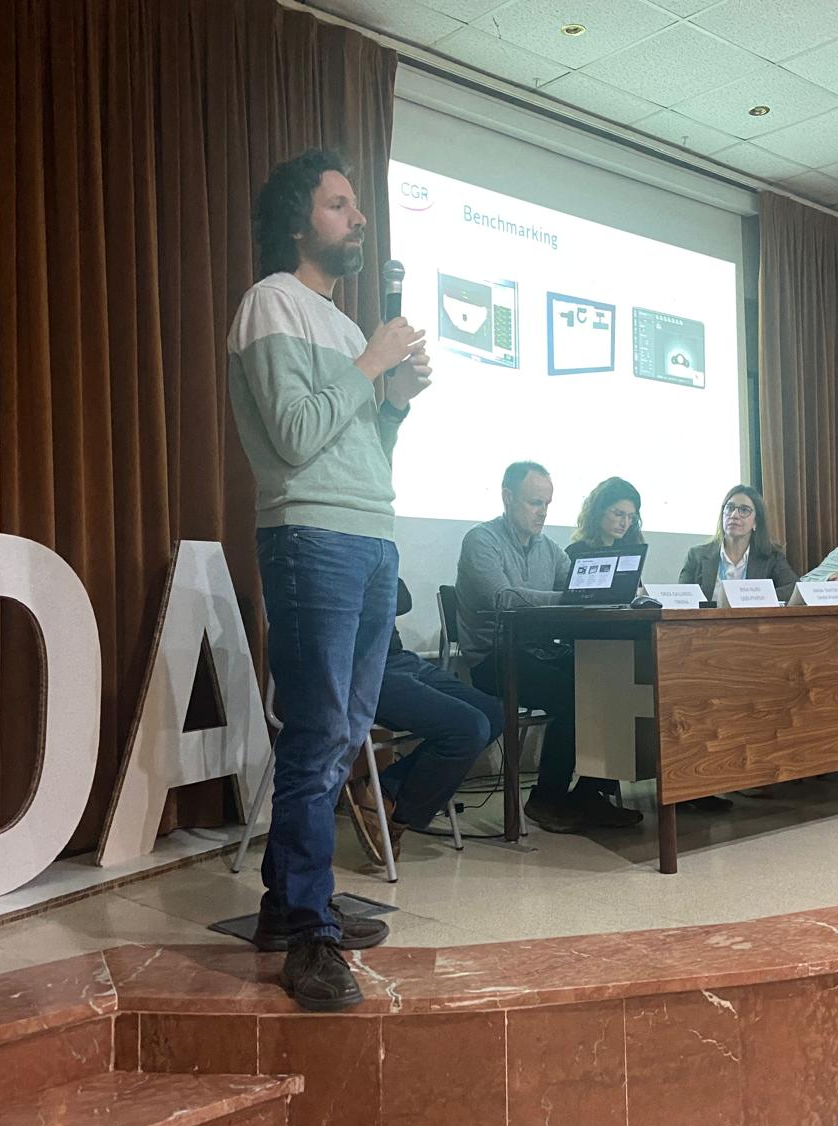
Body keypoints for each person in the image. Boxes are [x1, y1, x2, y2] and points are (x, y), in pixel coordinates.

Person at [227, 148, 431, 1012]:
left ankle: (290, 905)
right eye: (339, 205)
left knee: (344, 733)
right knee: (316, 736)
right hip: (312, 535)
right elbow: (296, 433)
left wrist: (395, 401)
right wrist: (373, 366)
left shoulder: (348, 330)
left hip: (370, 535)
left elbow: (363, 451)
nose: (358, 218)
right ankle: (309, 933)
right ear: (298, 221)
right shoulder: (271, 303)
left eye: (356, 205)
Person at [455, 461, 642, 834]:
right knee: (574, 694)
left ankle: (590, 793)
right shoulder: (481, 540)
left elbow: (577, 590)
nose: (542, 512)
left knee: (615, 680)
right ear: (508, 498)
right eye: (534, 503)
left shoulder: (550, 549)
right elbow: (503, 597)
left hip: (539, 651)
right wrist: (570, 597)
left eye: (547, 504)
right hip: (493, 658)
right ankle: (546, 799)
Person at [344, 580, 505, 867]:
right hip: (360, 669)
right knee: (469, 729)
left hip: (399, 659)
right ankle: (397, 814)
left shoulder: (371, 555)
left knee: (494, 713)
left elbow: (402, 598)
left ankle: (386, 790)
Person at [679, 484, 798, 599]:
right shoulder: (696, 555)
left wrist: (757, 597)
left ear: (756, 522)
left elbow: (793, 589)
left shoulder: (772, 558)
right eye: (730, 508)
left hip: (751, 614)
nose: (734, 515)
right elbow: (683, 597)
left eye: (744, 510)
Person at [565, 477, 644, 560]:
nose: (624, 523)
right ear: (598, 511)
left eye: (631, 517)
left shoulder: (631, 551)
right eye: (618, 514)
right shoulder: (575, 552)